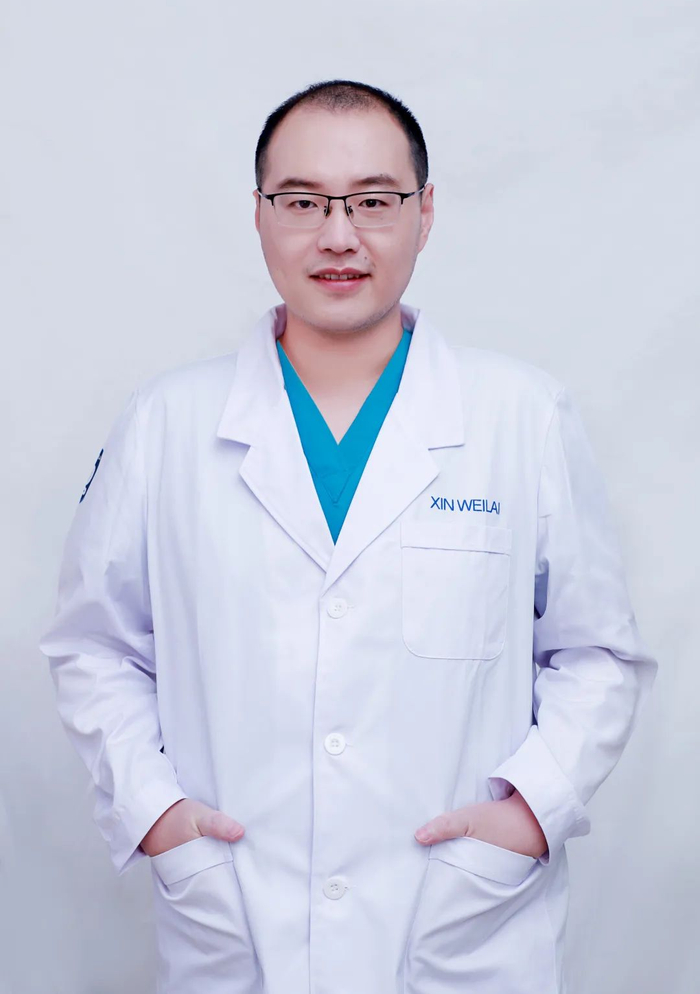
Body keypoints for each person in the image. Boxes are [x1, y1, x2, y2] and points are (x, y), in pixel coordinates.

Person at [38, 78, 658, 994]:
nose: (338, 236)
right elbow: (95, 649)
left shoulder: (520, 416)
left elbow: (597, 653)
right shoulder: (166, 423)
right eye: (302, 202)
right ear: (259, 214)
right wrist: (156, 814)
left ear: (425, 212)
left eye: (373, 201)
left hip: (460, 929)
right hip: (238, 920)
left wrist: (531, 812)